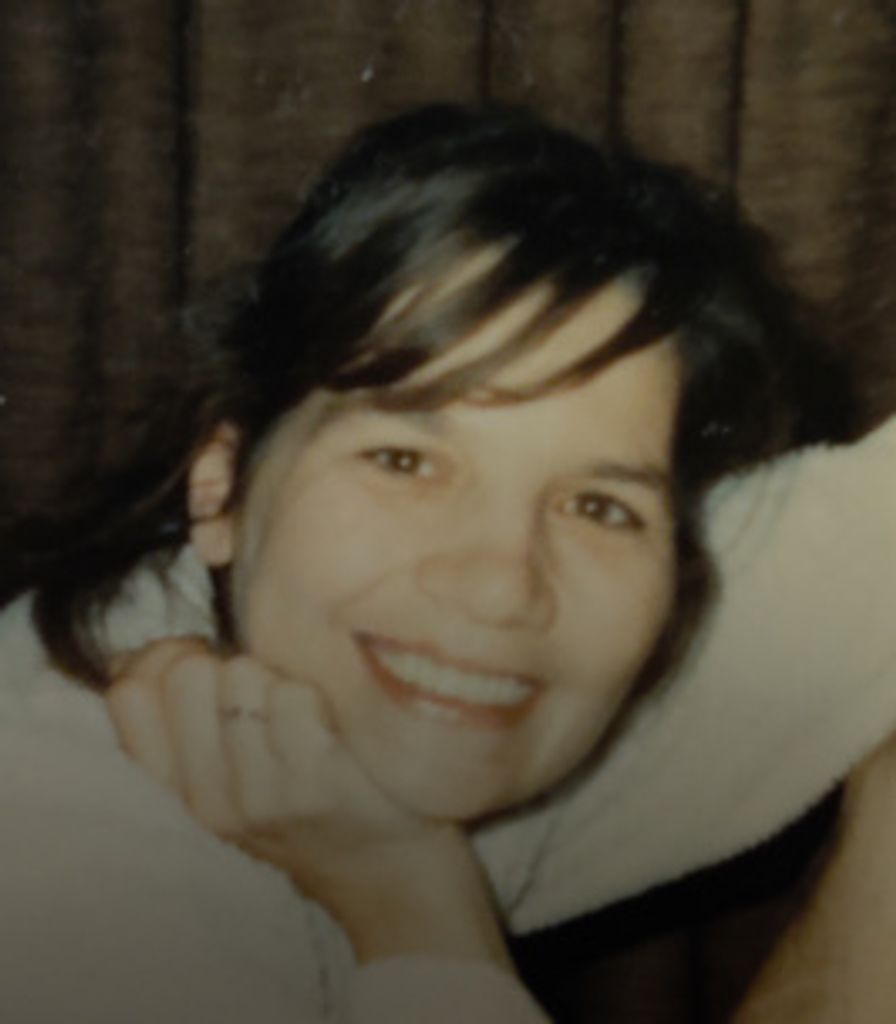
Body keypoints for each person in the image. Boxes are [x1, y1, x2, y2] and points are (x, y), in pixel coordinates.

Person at [0, 104, 889, 1023]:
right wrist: (415, 909)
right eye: (405, 462)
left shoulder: (351, 664)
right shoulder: (79, 876)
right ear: (220, 487)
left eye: (599, 506)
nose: (502, 587)